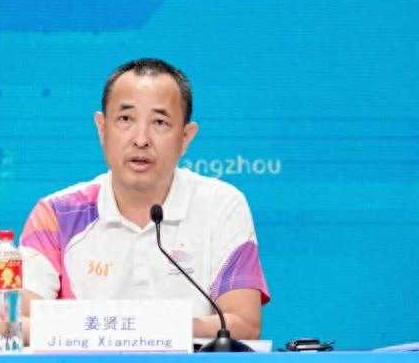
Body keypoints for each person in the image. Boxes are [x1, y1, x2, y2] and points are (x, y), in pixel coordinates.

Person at [19, 58, 270, 344]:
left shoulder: (221, 206)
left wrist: (134, 329)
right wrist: (139, 330)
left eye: (160, 122)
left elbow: (242, 323)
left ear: (185, 137)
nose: (141, 139)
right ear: (102, 128)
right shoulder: (56, 214)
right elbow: (17, 324)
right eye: (125, 119)